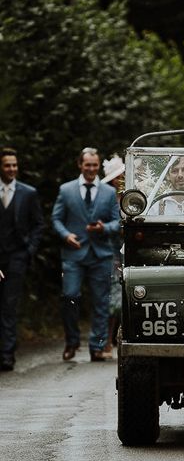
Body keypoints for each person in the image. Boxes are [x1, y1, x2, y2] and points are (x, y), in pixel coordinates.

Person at [52, 147, 120, 362]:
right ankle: (71, 342)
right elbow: (56, 219)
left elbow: (117, 222)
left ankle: (97, 347)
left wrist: (104, 228)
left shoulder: (109, 193)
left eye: (95, 165)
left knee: (101, 302)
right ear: (80, 165)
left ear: (98, 166)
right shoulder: (66, 190)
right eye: (87, 165)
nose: (91, 169)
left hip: (101, 254)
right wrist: (65, 235)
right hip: (73, 253)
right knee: (70, 297)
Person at [0, 147, 44, 371]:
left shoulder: (28, 192)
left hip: (17, 256)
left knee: (9, 305)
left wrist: (30, 250)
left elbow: (38, 224)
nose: (12, 169)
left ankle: (7, 355)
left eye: (14, 165)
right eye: (7, 165)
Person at [102, 156, 125, 354]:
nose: (119, 180)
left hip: (128, 249)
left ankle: (120, 335)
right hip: (112, 251)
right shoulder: (107, 198)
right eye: (116, 177)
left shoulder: (128, 196)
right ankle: (107, 338)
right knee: (113, 297)